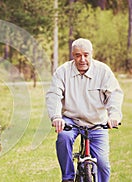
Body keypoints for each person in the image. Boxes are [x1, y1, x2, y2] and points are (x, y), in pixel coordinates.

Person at [46, 38, 123, 182]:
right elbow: (54, 95)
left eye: (86, 55)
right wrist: (56, 116)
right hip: (71, 120)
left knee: (103, 165)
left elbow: (114, 95)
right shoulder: (62, 71)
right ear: (72, 55)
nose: (82, 59)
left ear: (91, 54)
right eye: (77, 55)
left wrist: (114, 115)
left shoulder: (103, 71)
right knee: (63, 138)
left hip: (97, 122)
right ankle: (68, 177)